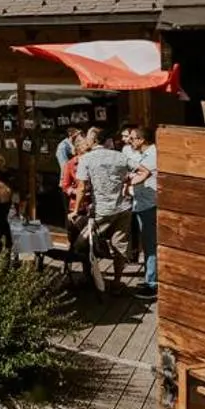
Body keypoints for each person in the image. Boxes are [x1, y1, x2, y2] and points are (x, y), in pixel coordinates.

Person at [72, 133, 146, 293]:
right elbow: (145, 172)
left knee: (81, 243)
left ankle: (90, 276)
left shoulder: (87, 158)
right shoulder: (119, 156)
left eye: (88, 137)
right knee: (120, 245)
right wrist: (128, 184)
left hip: (102, 210)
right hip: (123, 208)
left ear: (93, 140)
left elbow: (81, 187)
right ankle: (117, 283)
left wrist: (75, 210)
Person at [124, 126, 159, 297]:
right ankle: (149, 278)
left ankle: (152, 284)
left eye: (131, 138)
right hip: (141, 203)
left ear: (141, 140)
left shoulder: (152, 156)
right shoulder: (141, 154)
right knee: (147, 245)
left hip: (149, 205)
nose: (128, 141)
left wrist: (128, 182)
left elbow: (139, 175)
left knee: (150, 245)